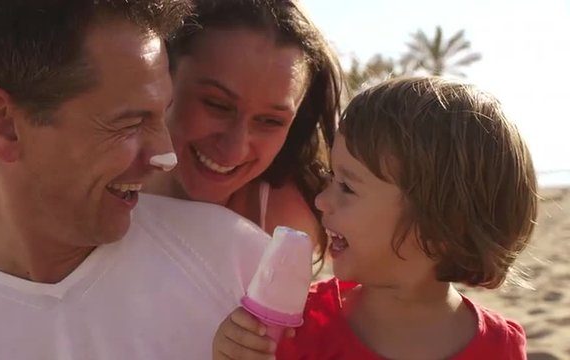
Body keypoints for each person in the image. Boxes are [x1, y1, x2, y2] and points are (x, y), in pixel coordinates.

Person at [0, 1, 196, 359]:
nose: (167, 156)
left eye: (162, 115)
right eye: (130, 122)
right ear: (3, 123)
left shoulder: (235, 270)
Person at [212, 77, 538, 360]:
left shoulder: (500, 347)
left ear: (442, 226)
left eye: (348, 187)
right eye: (330, 178)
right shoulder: (300, 324)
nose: (322, 200)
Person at [144, 0, 343, 251]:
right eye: (217, 105)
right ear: (162, 75)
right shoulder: (97, 173)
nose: (234, 150)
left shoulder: (284, 227)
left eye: (270, 121)